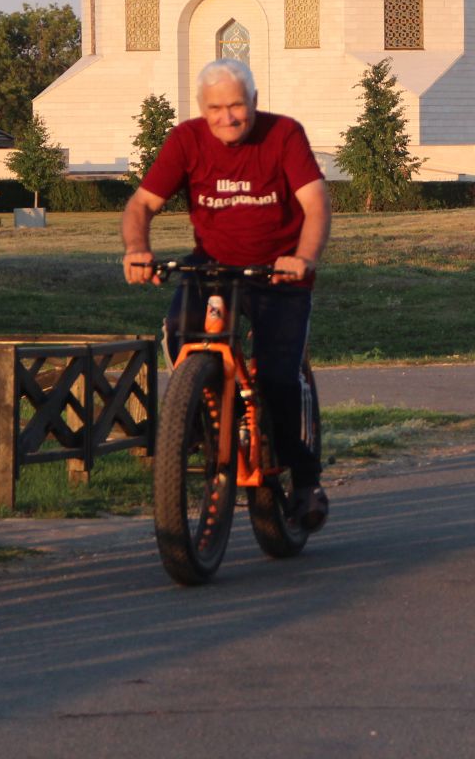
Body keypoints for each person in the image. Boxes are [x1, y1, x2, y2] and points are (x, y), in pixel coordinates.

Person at [122, 58, 334, 530]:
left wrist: (303, 257)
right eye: (215, 108)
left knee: (279, 378)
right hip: (214, 267)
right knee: (180, 335)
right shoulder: (186, 140)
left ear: (254, 101)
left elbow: (316, 203)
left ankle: (305, 479)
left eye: (236, 105)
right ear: (201, 108)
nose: (227, 117)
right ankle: (196, 424)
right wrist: (138, 250)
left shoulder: (283, 135)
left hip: (278, 272)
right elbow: (142, 204)